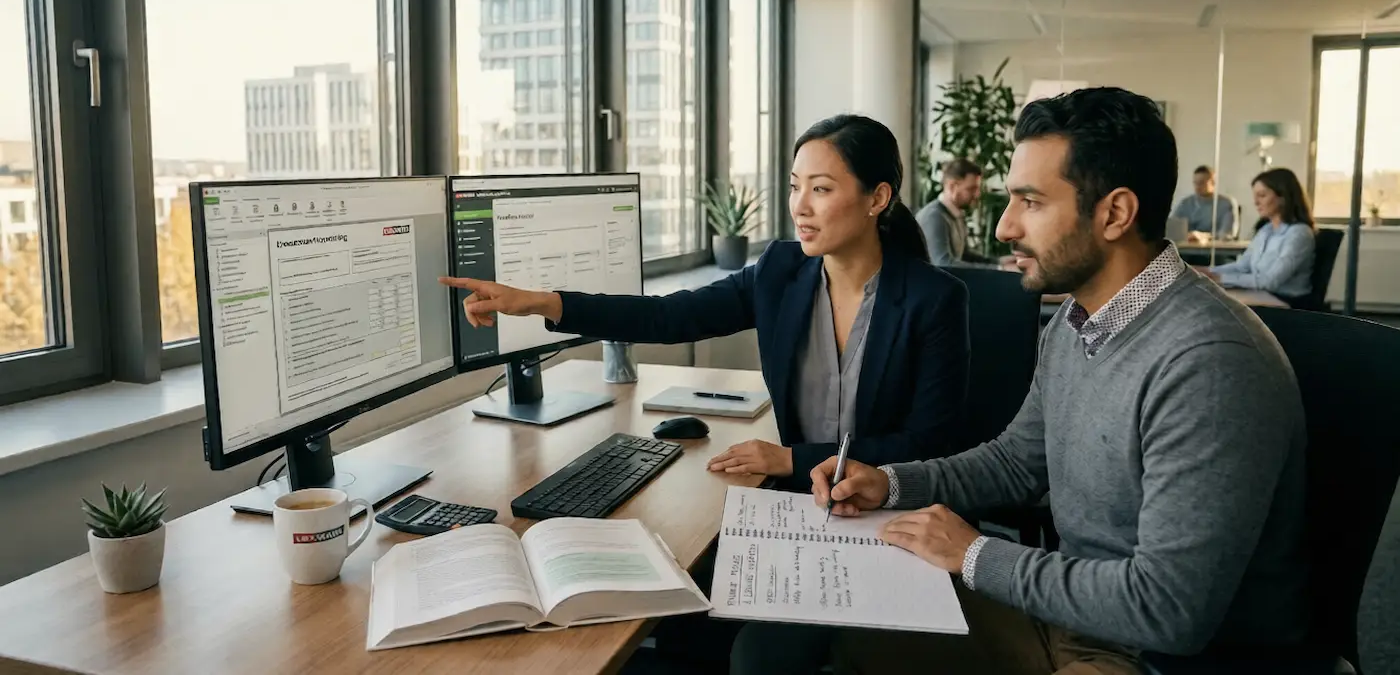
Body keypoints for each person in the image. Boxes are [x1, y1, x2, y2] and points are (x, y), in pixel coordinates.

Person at [733, 88, 1308, 675]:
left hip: (1154, 654)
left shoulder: (1207, 362)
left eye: (1030, 202)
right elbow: (1016, 461)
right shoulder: (1078, 318)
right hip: (1067, 614)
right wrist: (888, 482)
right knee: (821, 637)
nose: (1005, 226)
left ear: (1114, 213)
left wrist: (976, 554)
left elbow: (1166, 610)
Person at [439, 114, 970, 490]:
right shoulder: (781, 271)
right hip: (797, 503)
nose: (799, 207)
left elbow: (930, 447)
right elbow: (671, 315)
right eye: (794, 187)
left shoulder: (934, 299)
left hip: (889, 503)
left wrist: (791, 459)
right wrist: (543, 302)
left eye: (822, 190)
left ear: (877, 198)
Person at [1200, 168, 1315, 303]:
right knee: (1206, 293)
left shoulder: (1299, 234)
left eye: (1262, 195)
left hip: (1285, 299)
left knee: (1215, 301)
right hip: (1262, 292)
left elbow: (1270, 281)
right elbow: (1242, 266)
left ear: (1283, 197)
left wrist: (1219, 277)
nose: (1255, 202)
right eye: (1255, 196)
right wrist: (1208, 271)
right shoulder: (1266, 230)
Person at [916, 158, 1004, 268]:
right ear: (952, 186)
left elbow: (964, 256)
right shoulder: (934, 217)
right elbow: (943, 265)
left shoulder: (956, 214)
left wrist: (999, 262)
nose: (977, 195)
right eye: (971, 189)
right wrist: (998, 269)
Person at [1171, 165, 1238, 239]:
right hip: (1187, 247)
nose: (1197, 186)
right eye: (1195, 183)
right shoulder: (1185, 203)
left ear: (1213, 183)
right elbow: (1172, 229)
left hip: (1216, 248)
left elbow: (1227, 234)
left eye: (1201, 183)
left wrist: (1204, 236)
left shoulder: (1226, 204)